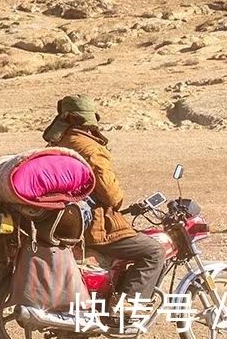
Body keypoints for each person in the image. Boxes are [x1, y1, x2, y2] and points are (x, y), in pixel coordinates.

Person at [44, 94, 165, 332]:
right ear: (88, 122)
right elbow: (111, 195)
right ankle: (125, 304)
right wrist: (118, 199)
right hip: (94, 227)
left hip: (62, 222)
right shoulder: (90, 149)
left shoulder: (58, 145)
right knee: (154, 250)